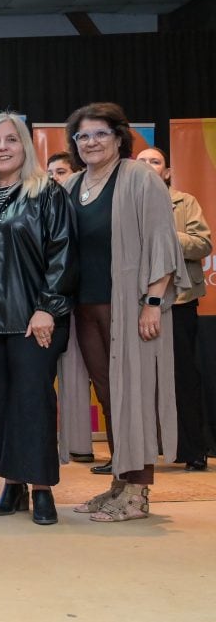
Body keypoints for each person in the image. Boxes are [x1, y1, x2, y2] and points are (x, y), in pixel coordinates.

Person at [64, 103, 187, 522]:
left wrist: (153, 301)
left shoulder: (139, 178)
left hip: (131, 306)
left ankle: (137, 493)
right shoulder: (73, 185)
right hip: (85, 306)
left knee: (133, 394)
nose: (91, 142)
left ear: (119, 137)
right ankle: (120, 481)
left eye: (100, 133)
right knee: (110, 395)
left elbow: (162, 243)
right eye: (82, 136)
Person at [0, 113, 77, 525]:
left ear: (25, 147)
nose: (3, 148)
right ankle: (13, 483)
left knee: (34, 400)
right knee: (1, 401)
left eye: (12, 140)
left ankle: (42, 488)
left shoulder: (46, 192)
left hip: (34, 315)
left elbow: (62, 252)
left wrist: (49, 307)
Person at [137, 147, 211, 471]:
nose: (148, 166)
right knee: (136, 382)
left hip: (177, 303)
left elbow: (203, 243)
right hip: (136, 304)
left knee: (183, 377)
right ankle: (137, 454)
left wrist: (168, 235)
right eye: (141, 162)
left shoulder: (185, 202)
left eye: (155, 161)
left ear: (166, 172)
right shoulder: (123, 205)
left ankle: (193, 449)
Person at [46, 151, 95, 465]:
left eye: (61, 171)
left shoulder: (85, 206)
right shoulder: (42, 205)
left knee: (87, 375)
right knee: (49, 378)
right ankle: (60, 446)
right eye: (49, 172)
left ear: (75, 174)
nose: (54, 178)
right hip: (53, 302)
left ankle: (80, 445)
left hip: (88, 298)